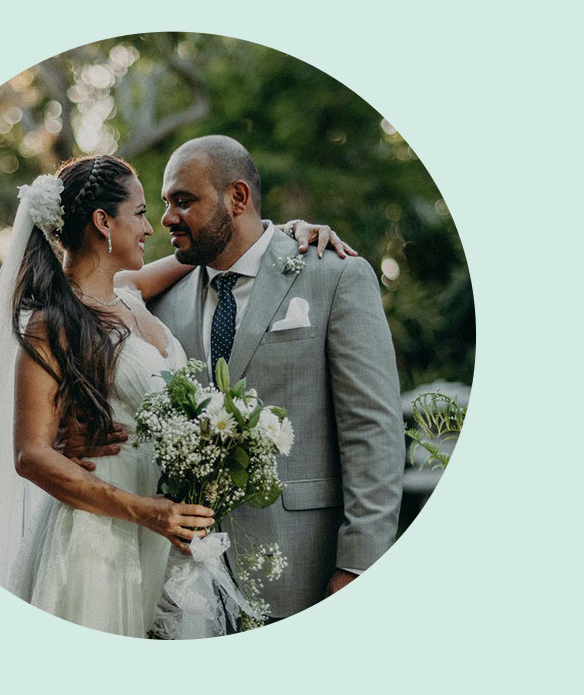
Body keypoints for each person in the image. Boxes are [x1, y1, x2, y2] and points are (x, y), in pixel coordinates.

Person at [0, 153, 352, 637]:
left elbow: (212, 249)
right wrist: (145, 511)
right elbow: (31, 454)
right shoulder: (54, 324)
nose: (152, 228)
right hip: (102, 540)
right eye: (140, 213)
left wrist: (285, 234)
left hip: (165, 534)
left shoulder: (127, 291)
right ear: (102, 222)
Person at [147, 135, 406, 620]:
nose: (167, 218)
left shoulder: (333, 275)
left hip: (305, 563)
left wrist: (359, 565)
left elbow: (373, 428)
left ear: (237, 198)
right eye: (165, 203)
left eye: (184, 201)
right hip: (189, 584)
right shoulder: (162, 300)